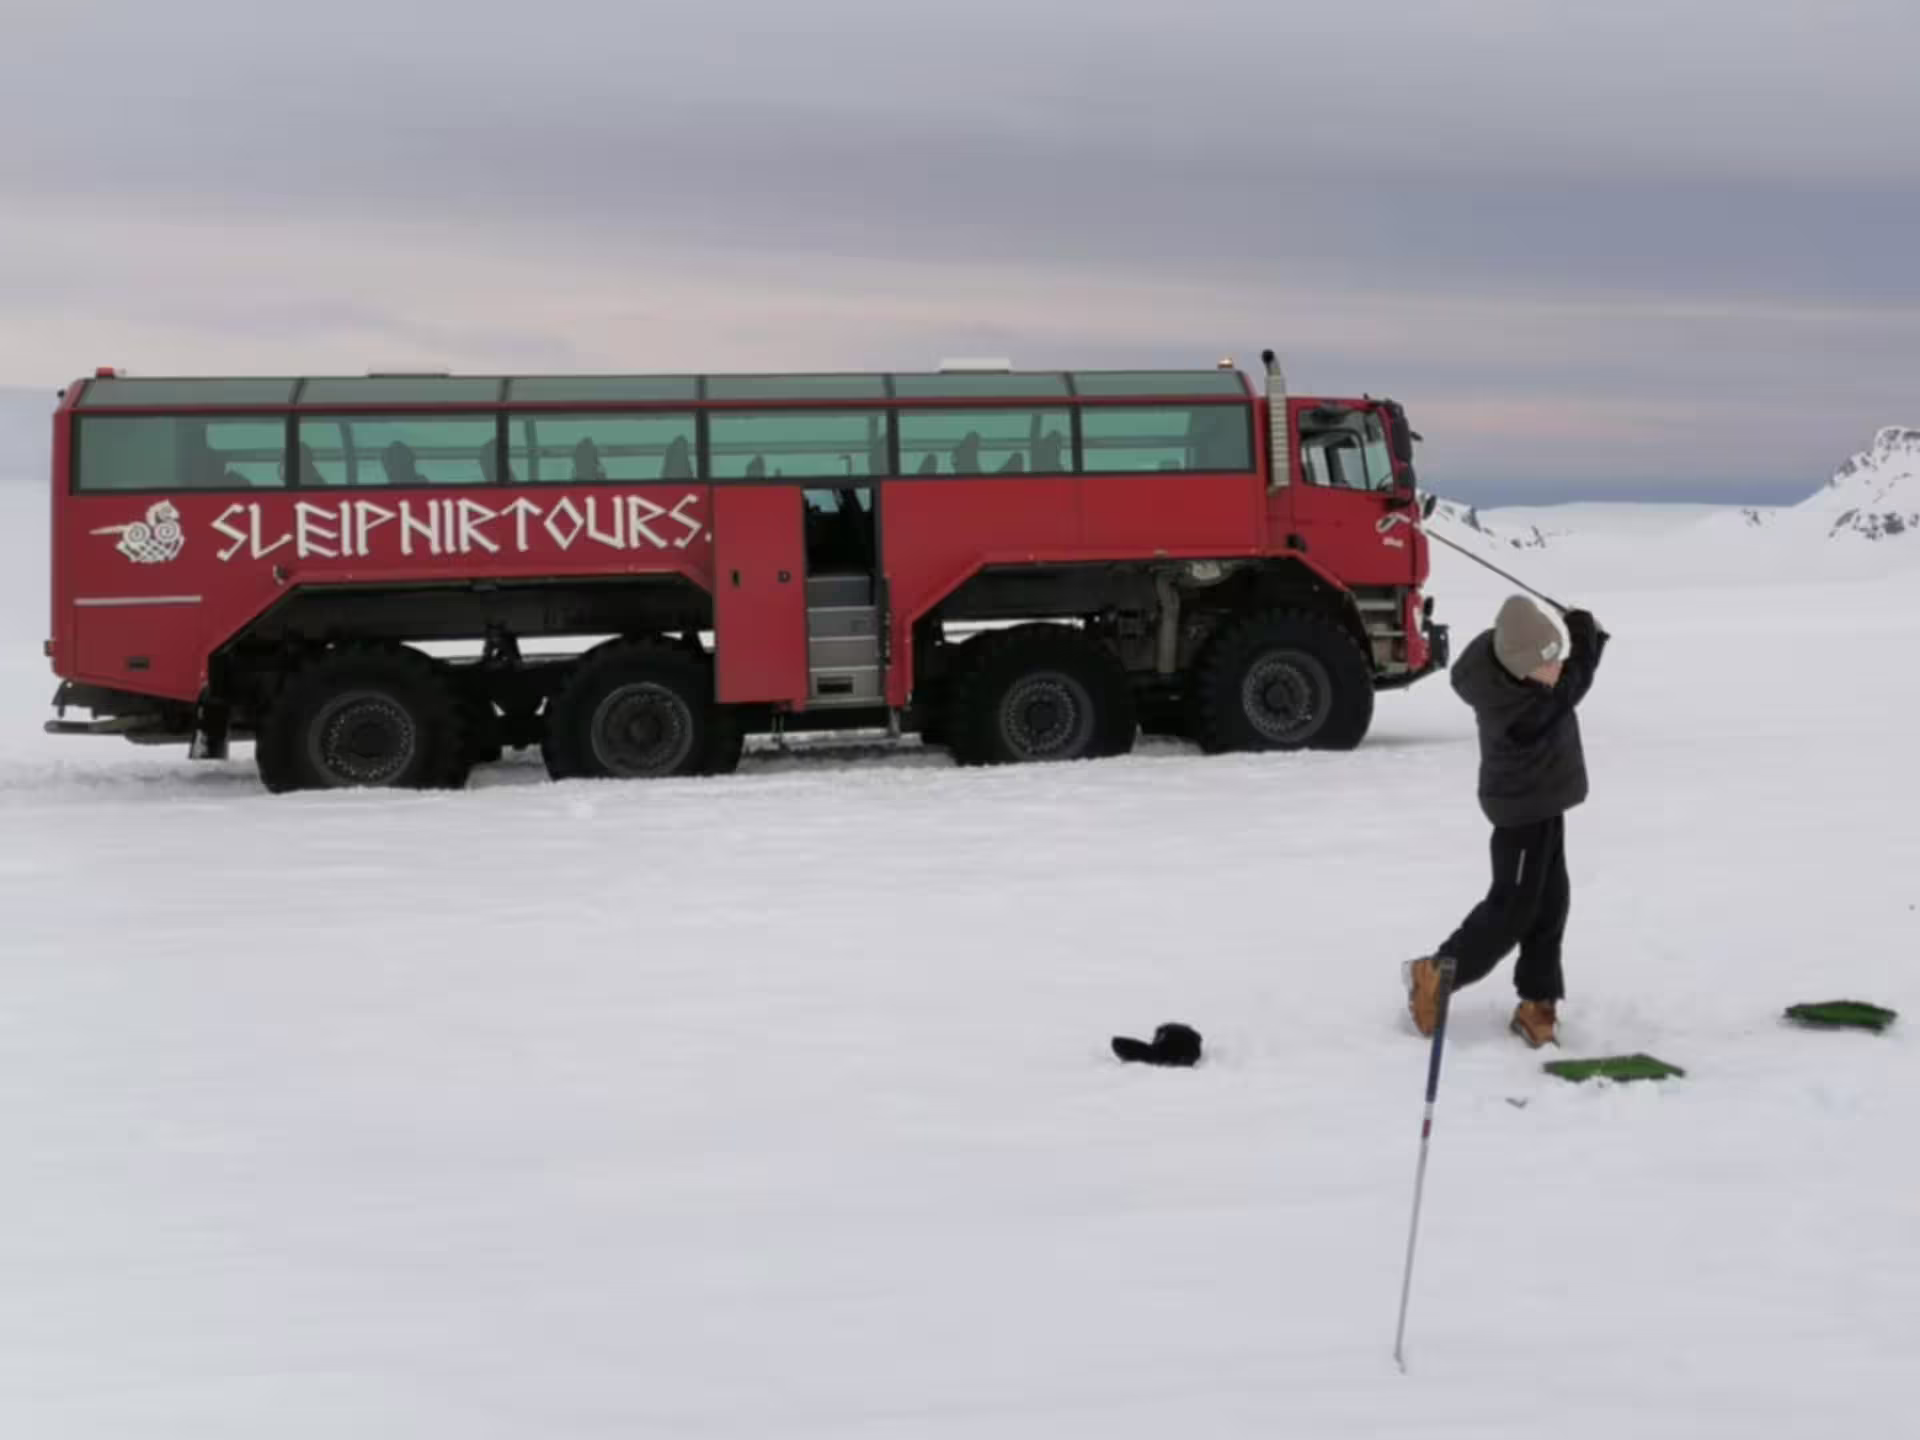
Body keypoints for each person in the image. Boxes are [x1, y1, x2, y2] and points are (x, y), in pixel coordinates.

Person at [1404, 595, 1610, 1048]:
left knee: (1551, 903)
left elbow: (1561, 677)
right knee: (1511, 912)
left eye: (1557, 658)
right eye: (1548, 661)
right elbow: (1572, 686)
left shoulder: (1517, 673)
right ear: (1520, 670)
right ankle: (1435, 972)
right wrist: (1586, 640)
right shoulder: (1517, 707)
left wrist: (1574, 637)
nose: (1557, 668)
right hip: (1520, 813)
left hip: (1544, 805)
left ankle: (1538, 999)